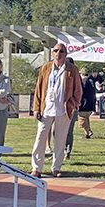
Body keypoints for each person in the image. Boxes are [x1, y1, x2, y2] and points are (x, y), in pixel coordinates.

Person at [30, 42, 82, 178]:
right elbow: (38, 89)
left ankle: (56, 168)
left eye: (62, 51)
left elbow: (78, 89)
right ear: (52, 53)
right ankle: (36, 168)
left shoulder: (72, 69)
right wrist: (36, 108)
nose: (58, 53)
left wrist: (74, 103)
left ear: (66, 54)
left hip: (64, 110)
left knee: (60, 140)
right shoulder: (45, 68)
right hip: (46, 109)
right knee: (40, 138)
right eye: (56, 50)